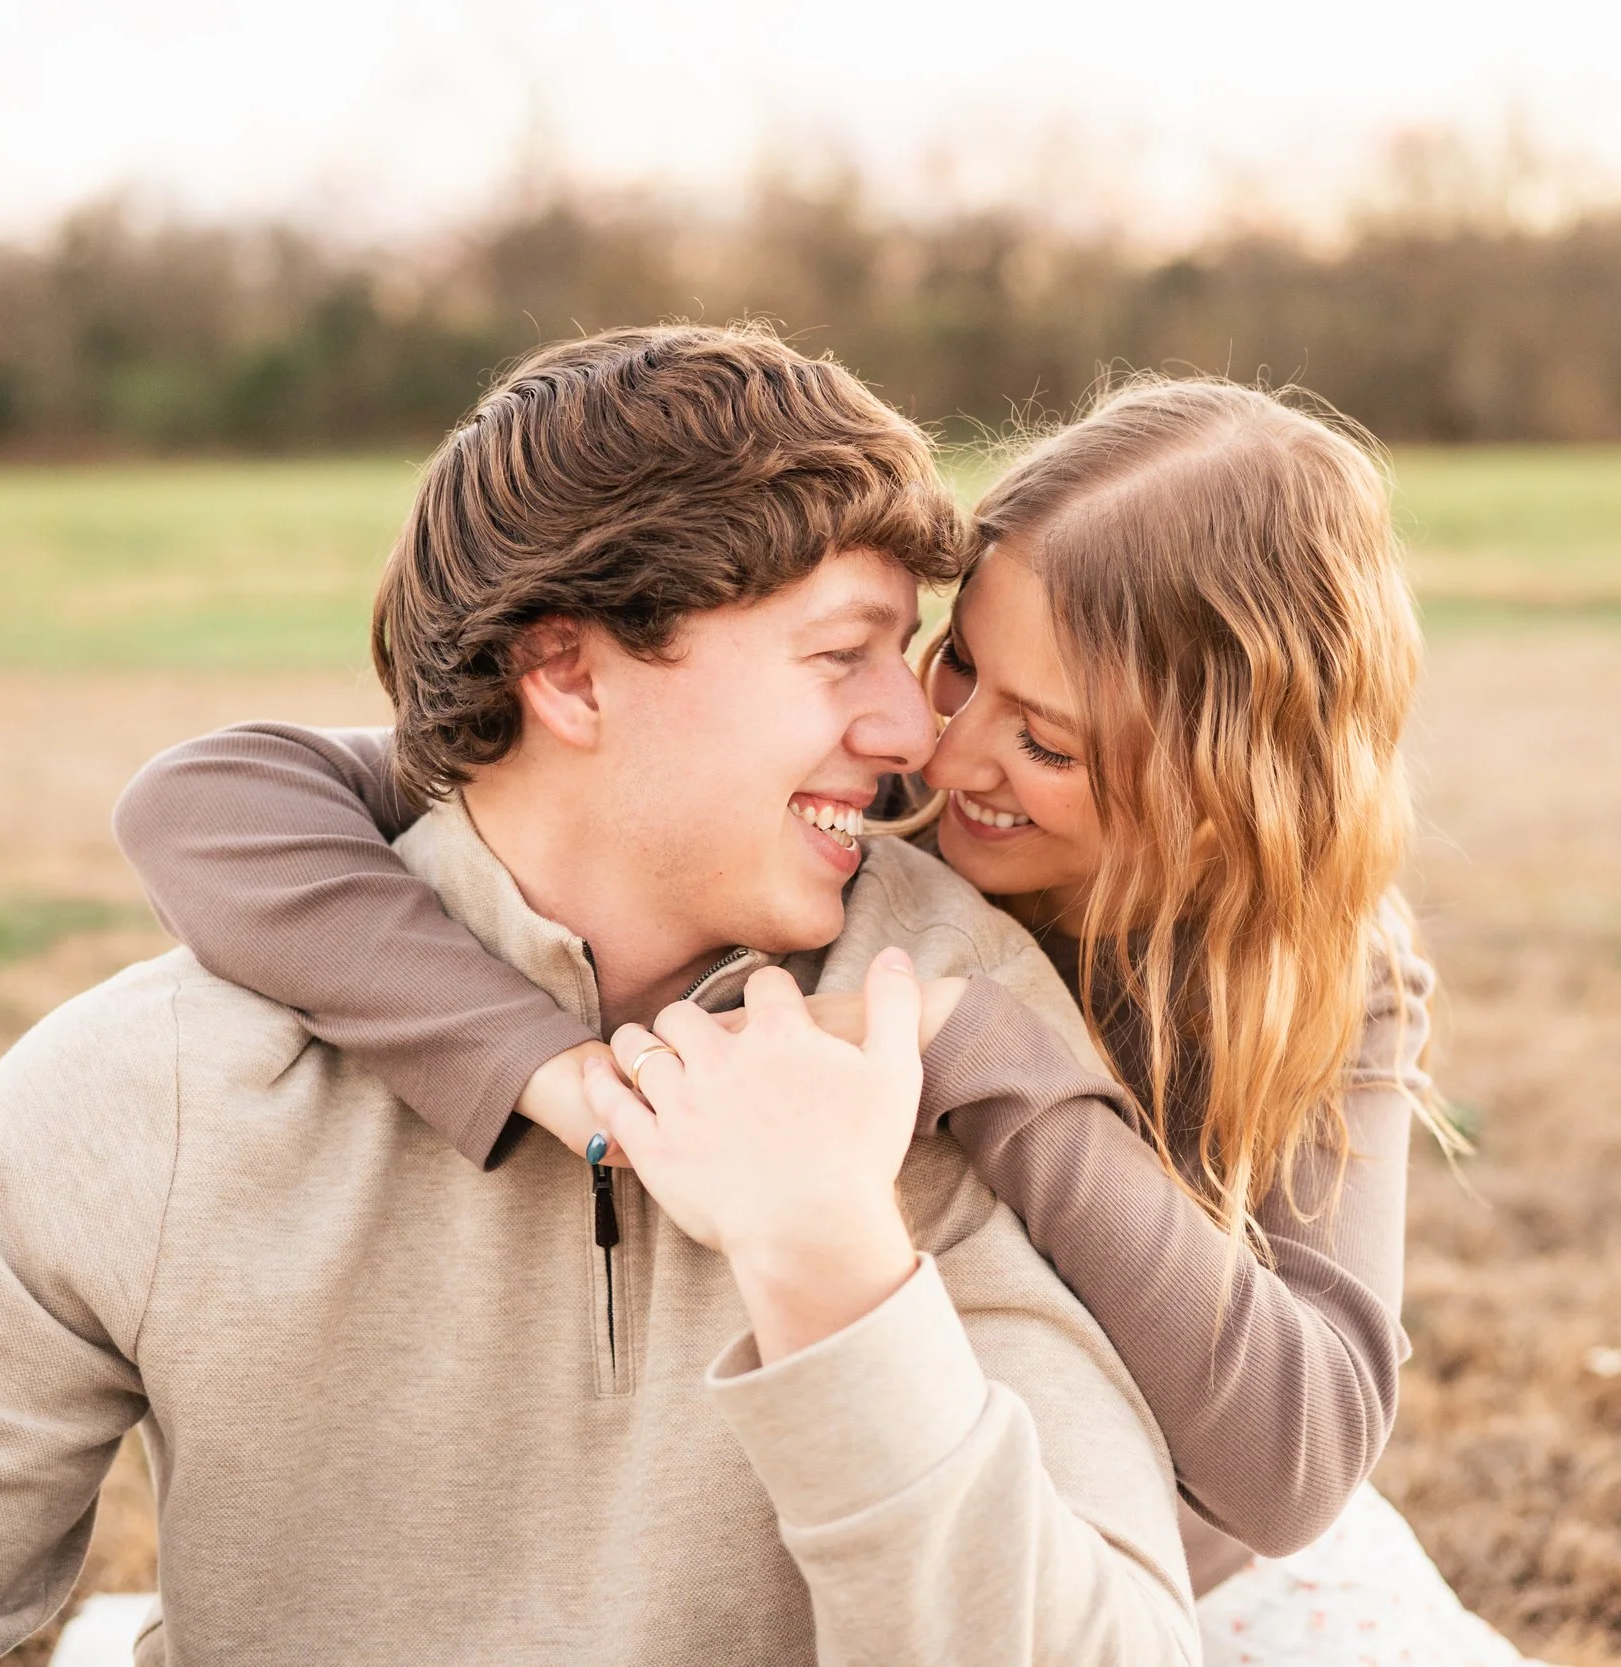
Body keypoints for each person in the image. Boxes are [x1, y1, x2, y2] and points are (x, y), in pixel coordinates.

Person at [0, 327, 1199, 1667]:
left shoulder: (947, 1048)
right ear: (568, 674)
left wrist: (836, 1268)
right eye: (842, 653)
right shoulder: (153, 1088)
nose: (909, 731)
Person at [110, 377, 1546, 1665]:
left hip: (1130, 1597)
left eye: (1045, 740)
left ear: (1223, 780)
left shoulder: (1317, 973)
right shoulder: (856, 810)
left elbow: (1299, 1458)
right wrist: (552, 1070)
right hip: (826, 1547)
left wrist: (996, 1057)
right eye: (960, 662)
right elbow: (207, 802)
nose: (945, 745)